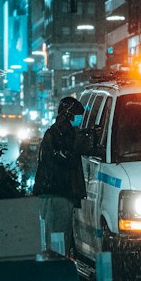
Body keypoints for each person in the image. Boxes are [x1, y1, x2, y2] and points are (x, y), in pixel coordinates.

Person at [32, 96, 86, 253]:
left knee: (59, 235)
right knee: (58, 236)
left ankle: (57, 262)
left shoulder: (63, 132)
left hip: (58, 194)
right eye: (78, 115)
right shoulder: (58, 134)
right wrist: (79, 146)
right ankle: (57, 266)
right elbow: (64, 159)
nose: (80, 119)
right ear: (69, 115)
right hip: (56, 194)